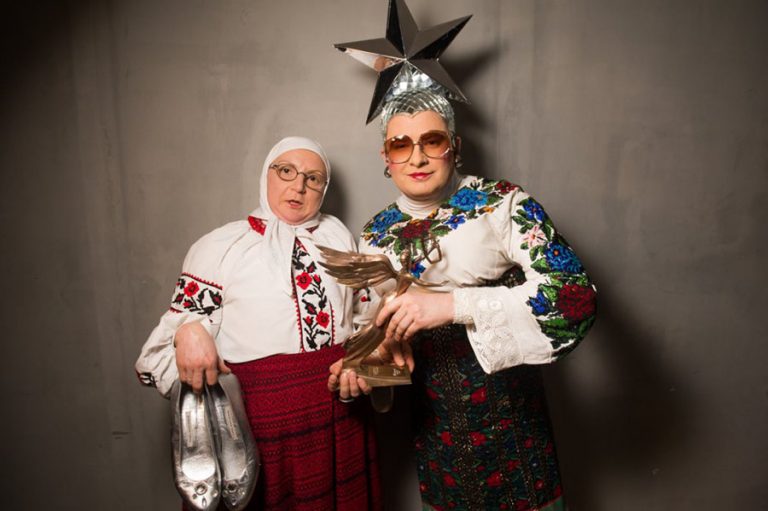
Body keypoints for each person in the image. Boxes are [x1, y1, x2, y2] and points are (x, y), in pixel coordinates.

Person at [331, 90, 597, 510]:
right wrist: (367, 367)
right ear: (386, 157)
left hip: (516, 437)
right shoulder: (373, 235)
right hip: (438, 448)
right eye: (401, 145)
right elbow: (383, 346)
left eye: (432, 140)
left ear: (454, 146)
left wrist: (452, 305)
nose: (417, 158)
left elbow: (573, 296)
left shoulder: (503, 203)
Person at [136, 137, 380, 511]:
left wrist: (362, 360)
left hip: (341, 411)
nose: (298, 186)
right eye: (286, 171)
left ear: (323, 188)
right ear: (266, 174)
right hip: (258, 421)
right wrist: (187, 330)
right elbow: (163, 350)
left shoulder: (338, 237)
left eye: (313, 178)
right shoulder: (221, 246)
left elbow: (365, 319)